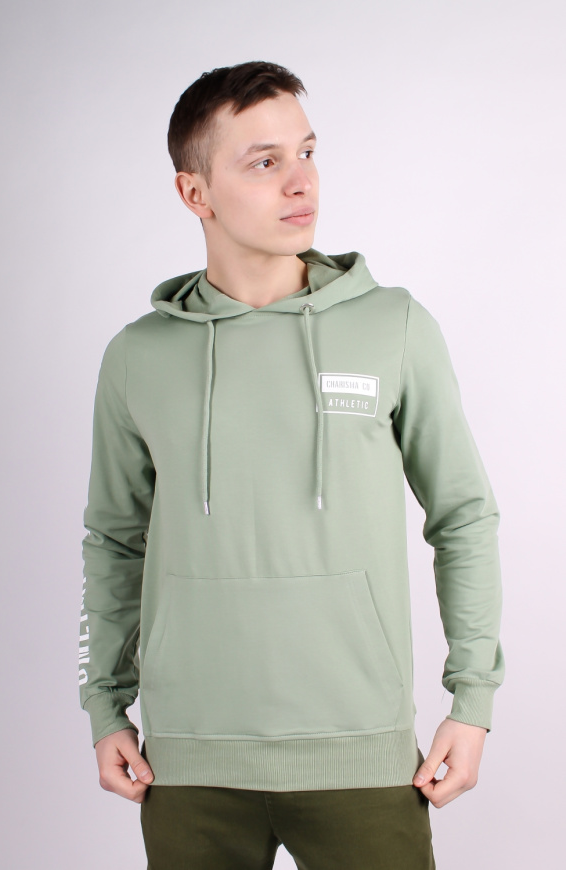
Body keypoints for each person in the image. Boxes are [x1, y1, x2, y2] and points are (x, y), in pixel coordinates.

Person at [79, 60, 504, 869]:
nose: (301, 181)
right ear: (195, 193)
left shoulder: (393, 327)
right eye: (264, 162)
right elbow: (113, 541)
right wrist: (105, 706)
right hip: (189, 764)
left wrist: (473, 699)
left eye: (307, 152)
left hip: (364, 756)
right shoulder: (137, 357)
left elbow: (464, 517)